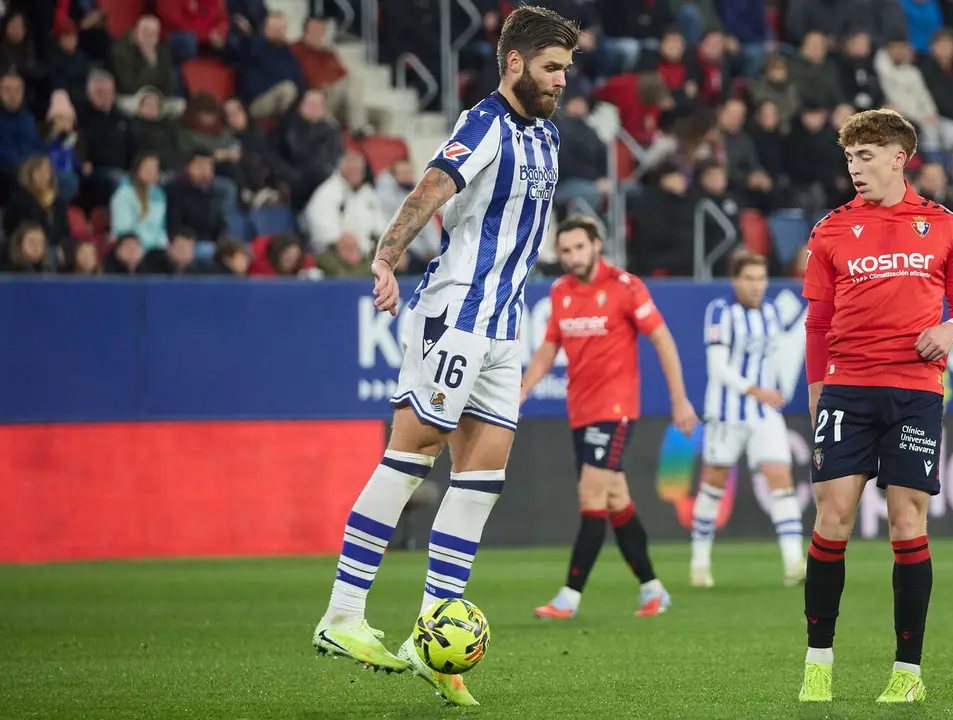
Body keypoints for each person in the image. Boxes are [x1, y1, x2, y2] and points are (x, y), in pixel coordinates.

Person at [312, 6, 579, 708]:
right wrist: (387, 252)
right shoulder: (484, 123)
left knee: (482, 478)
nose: (561, 80)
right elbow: (435, 187)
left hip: (503, 326)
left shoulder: (548, 137)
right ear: (515, 63)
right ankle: (342, 614)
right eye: (552, 67)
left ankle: (431, 644)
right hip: (457, 313)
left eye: (567, 70)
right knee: (411, 455)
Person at [798, 108, 953, 705]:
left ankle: (908, 672)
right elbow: (818, 323)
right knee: (833, 521)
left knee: (908, 523)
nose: (855, 168)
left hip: (916, 391)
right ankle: (818, 662)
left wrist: (950, 329)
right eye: (850, 158)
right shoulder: (829, 231)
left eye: (867, 156)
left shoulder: (946, 226)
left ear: (900, 158)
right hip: (847, 387)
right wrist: (815, 393)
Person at [521, 216, 698, 620]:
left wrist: (680, 400)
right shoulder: (560, 292)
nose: (572, 257)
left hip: (615, 411)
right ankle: (653, 590)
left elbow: (663, 340)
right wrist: (522, 388)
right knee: (616, 498)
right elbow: (549, 348)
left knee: (591, 495)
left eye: (579, 247)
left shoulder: (625, 286)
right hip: (580, 411)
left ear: (597, 245)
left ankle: (569, 597)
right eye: (565, 250)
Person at [689, 250, 804, 588]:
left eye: (761, 278)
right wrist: (757, 390)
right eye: (750, 279)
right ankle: (699, 562)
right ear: (736, 281)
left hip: (764, 413)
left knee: (781, 478)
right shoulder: (720, 312)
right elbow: (718, 368)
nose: (757, 286)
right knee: (714, 483)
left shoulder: (771, 312)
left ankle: (795, 562)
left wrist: (771, 391)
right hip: (727, 412)